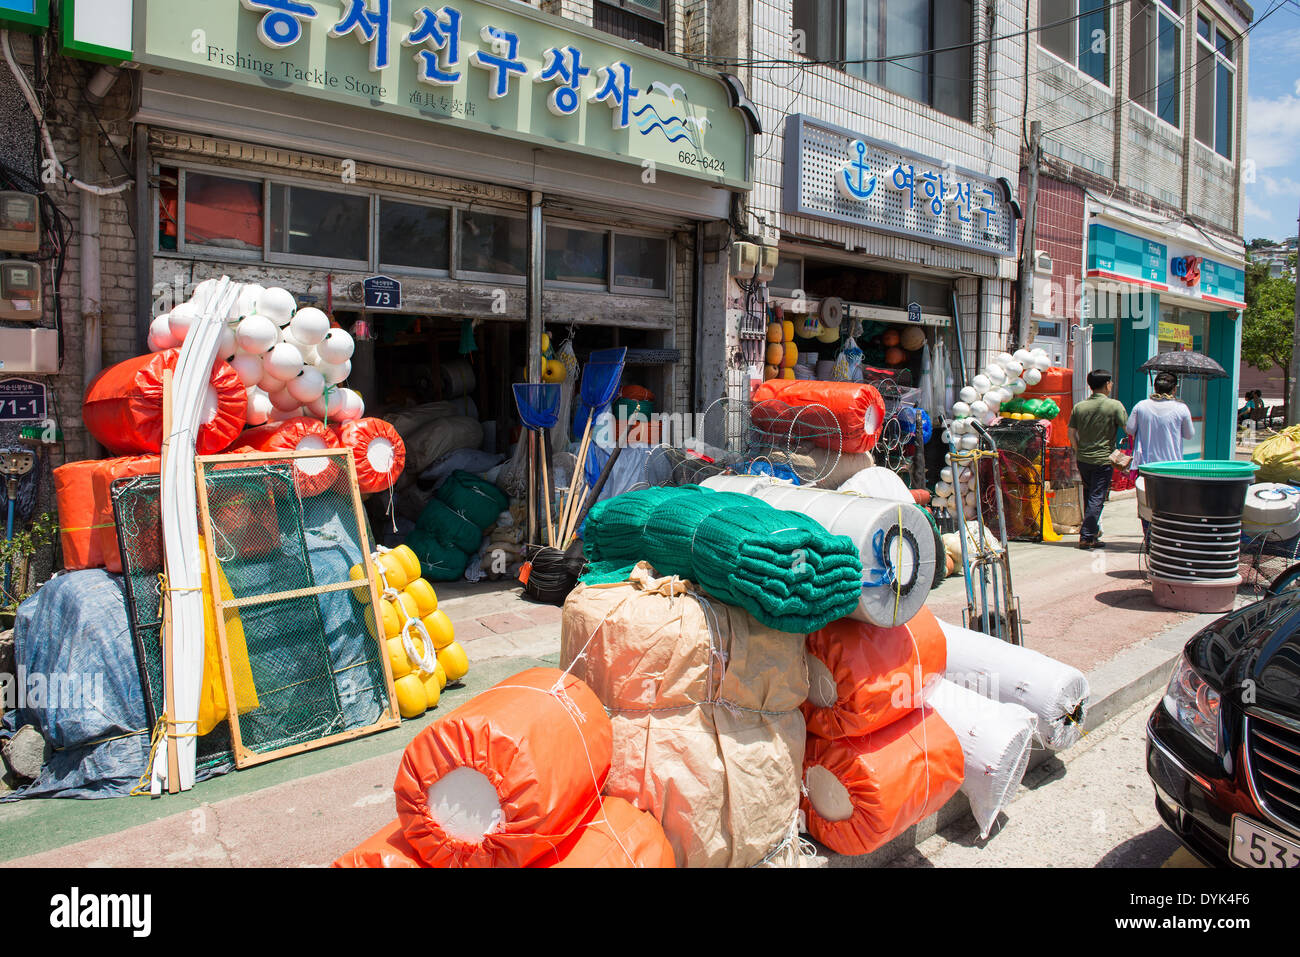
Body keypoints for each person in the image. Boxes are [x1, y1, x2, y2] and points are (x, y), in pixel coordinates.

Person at [1068, 370, 1128, 550]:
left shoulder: (1079, 406)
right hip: (1103, 459)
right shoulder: (1114, 405)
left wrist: (1079, 451)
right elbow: (1128, 428)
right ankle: (1086, 536)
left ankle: (1092, 534)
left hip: (1083, 459)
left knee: (1089, 495)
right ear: (1107, 384)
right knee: (1097, 497)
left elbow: (1071, 434)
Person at [1127, 372, 1194, 471]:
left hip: (1146, 465)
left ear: (1155, 387)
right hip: (1172, 466)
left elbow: (1130, 429)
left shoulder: (1140, 406)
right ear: (1174, 389)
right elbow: (1189, 435)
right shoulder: (1181, 408)